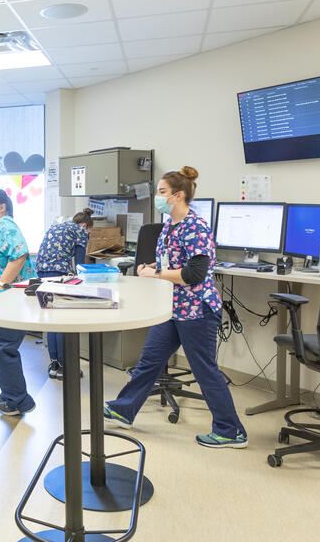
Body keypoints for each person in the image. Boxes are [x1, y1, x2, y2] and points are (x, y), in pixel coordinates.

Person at [104, 167, 248, 448]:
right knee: (149, 361)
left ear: (178, 195)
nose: (157, 197)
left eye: (161, 192)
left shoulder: (196, 226)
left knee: (204, 369)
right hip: (173, 308)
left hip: (197, 310)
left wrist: (155, 275)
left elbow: (194, 273)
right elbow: (172, 262)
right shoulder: (170, 225)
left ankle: (231, 431)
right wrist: (153, 267)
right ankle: (124, 408)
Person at [0, 188, 37, 416]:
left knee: (2, 345)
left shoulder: (6, 226)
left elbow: (19, 255)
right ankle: (9, 393)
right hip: (0, 300)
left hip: (8, 299)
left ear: (2, 207)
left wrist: (3, 284)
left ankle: (19, 400)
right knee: (0, 344)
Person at [35, 208, 93, 379]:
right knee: (61, 320)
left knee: (52, 319)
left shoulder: (58, 226)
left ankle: (54, 364)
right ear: (85, 225)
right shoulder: (81, 231)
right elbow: (80, 265)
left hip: (41, 271)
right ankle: (65, 367)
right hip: (59, 274)